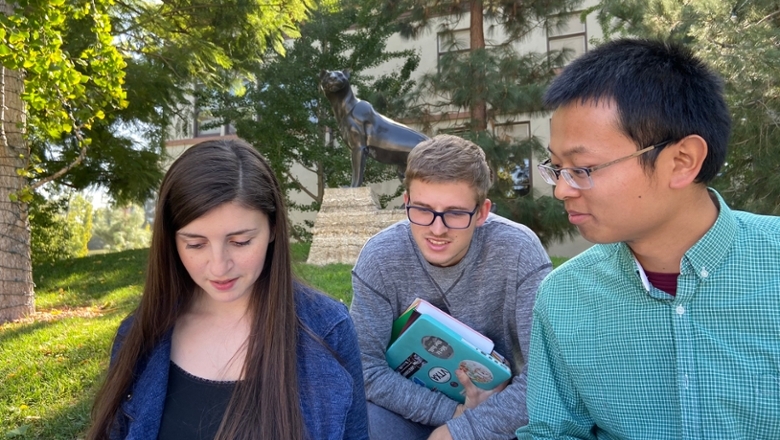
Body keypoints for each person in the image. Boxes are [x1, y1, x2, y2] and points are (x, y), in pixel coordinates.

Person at [516, 38, 780, 440]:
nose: (562, 189)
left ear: (682, 161)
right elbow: (553, 432)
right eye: (556, 168)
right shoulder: (564, 297)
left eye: (583, 168)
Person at [86, 139, 369, 440]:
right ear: (171, 240)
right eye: (196, 244)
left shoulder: (328, 329)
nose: (219, 267)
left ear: (273, 228)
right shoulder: (139, 334)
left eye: (240, 242)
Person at [350, 134, 553, 440]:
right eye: (422, 209)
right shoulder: (380, 257)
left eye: (455, 213)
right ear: (406, 203)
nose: (437, 229)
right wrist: (455, 415)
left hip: (502, 411)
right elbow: (365, 367)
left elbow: (546, 376)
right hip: (409, 407)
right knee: (362, 422)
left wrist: (464, 431)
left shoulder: (519, 251)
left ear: (482, 212)